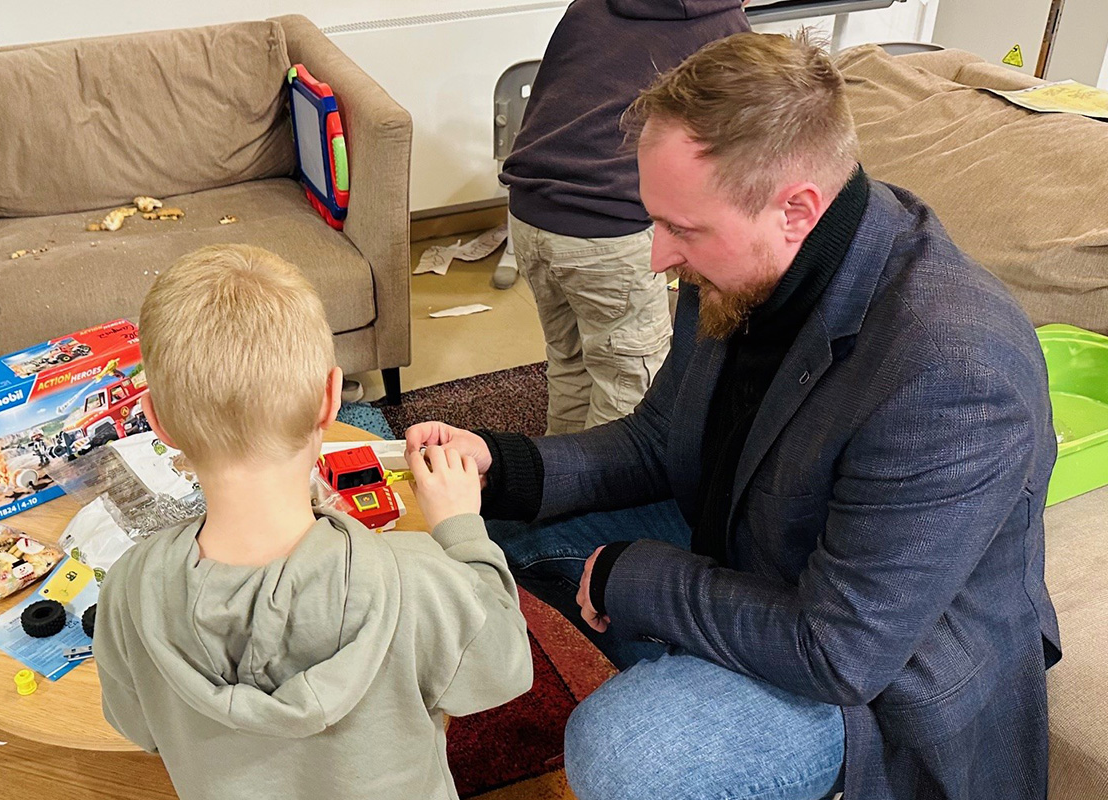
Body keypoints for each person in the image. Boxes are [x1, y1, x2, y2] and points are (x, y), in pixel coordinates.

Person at [409, 32, 1060, 800]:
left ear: (796, 210)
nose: (659, 257)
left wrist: (636, 579)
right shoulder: (742, 261)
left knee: (627, 754)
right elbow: (662, 435)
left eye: (682, 229)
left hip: (876, 680)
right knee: (488, 514)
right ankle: (684, 656)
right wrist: (503, 466)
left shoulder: (953, 371)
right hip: (759, 544)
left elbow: (840, 651)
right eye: (656, 220)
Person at [95, 244, 532, 800]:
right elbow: (503, 668)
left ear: (157, 421)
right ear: (331, 398)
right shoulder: (416, 581)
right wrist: (462, 529)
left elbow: (139, 727)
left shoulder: (128, 588)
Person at [499, 0, 750, 434]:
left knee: (571, 365)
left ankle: (559, 470)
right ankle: (601, 479)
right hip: (606, 229)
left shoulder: (591, 6)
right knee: (627, 390)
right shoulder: (725, 29)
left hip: (529, 214)